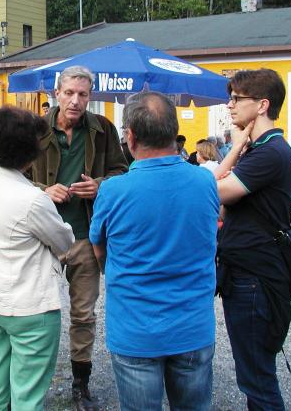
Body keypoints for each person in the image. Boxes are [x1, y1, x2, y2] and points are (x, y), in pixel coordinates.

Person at [89, 91, 218, 411]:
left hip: (135, 329)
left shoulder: (113, 190)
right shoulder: (205, 182)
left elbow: (98, 248)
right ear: (174, 133)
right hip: (193, 326)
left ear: (130, 137)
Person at [28, 65, 128, 411]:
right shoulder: (35, 129)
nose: (75, 100)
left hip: (85, 236)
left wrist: (99, 185)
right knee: (34, 312)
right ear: (56, 93)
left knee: (83, 315)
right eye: (69, 93)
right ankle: (29, 385)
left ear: (90, 95)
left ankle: (80, 385)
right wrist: (43, 190)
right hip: (42, 237)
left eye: (83, 94)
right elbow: (10, 174)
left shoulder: (103, 129)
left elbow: (121, 171)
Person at [0, 106, 75, 411]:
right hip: (29, 306)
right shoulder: (32, 199)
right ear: (31, 152)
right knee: (27, 392)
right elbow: (64, 240)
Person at [212, 69, 291, 410]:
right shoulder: (258, 149)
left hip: (254, 279)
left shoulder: (270, 152)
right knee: (254, 375)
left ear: (262, 105)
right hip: (247, 274)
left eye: (237, 98)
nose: (229, 105)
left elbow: (214, 192)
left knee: (257, 379)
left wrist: (234, 148)